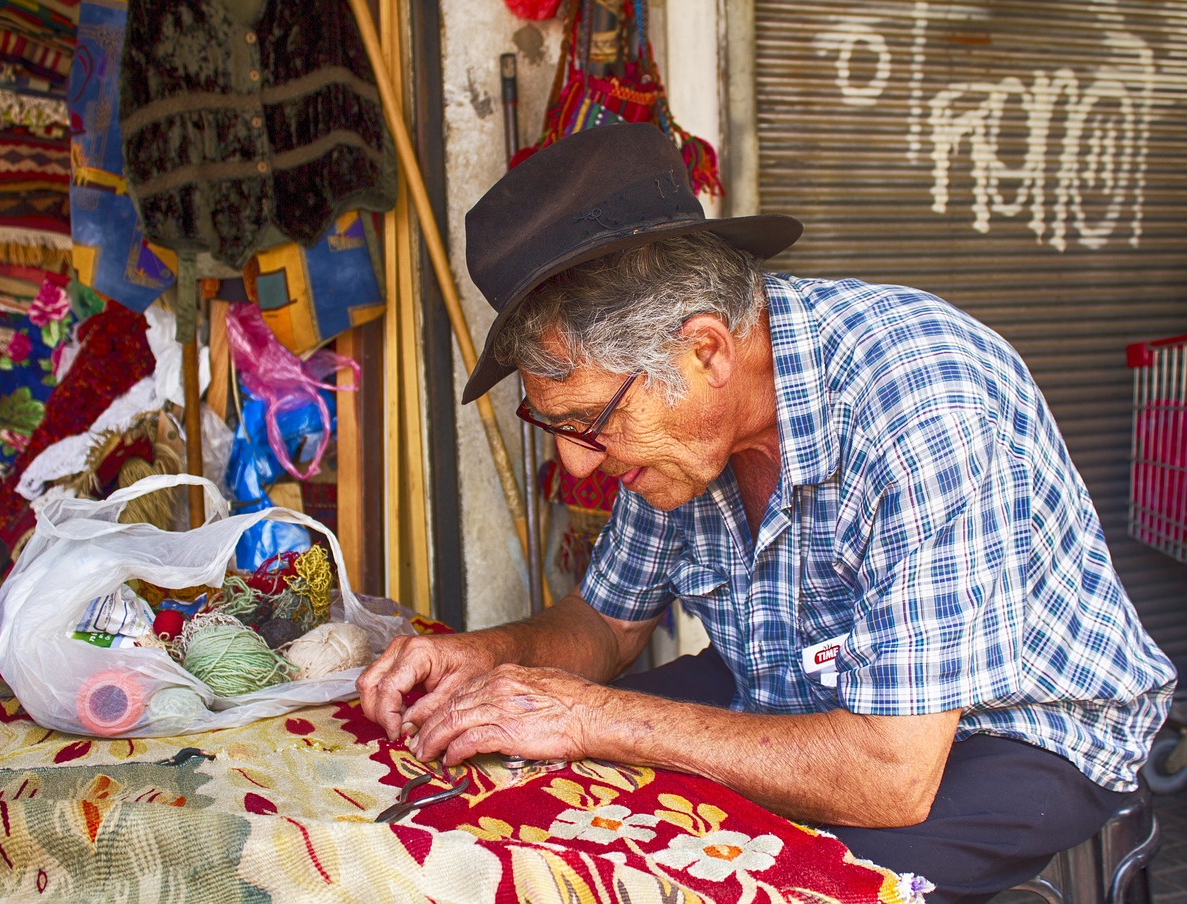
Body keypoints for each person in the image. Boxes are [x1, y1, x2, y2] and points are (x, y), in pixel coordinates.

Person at [356, 122, 1176, 901]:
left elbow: (889, 775)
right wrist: (488, 658)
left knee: (726, 877)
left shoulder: (924, 399)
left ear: (708, 349)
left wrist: (589, 715)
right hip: (795, 686)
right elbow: (605, 626)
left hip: (1006, 732)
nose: (576, 461)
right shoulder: (675, 437)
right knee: (541, 804)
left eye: (591, 424)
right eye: (558, 428)